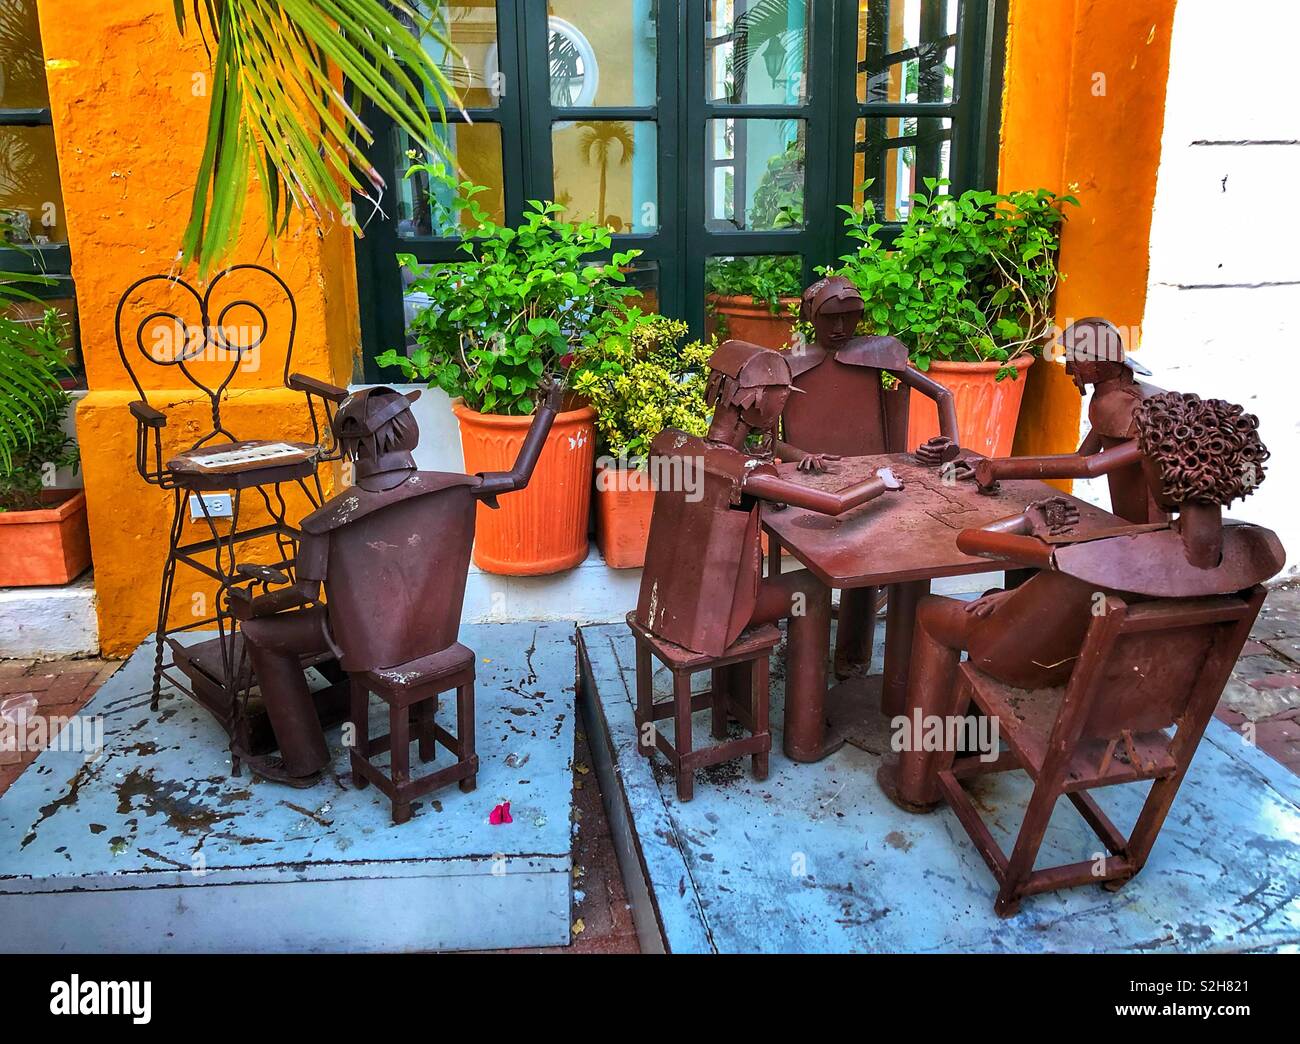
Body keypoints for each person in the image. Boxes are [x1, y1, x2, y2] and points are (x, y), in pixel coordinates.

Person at [880, 390, 1283, 811]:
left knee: (930, 616)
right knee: (994, 597)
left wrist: (1027, 520)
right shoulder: (1257, 552)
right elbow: (1077, 581)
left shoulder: (1111, 556)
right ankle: (968, 732)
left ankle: (915, 783)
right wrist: (1017, 594)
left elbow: (971, 541)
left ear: (1163, 472)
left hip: (1049, 669)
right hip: (1128, 682)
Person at [228, 381, 566, 787]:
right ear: (407, 429)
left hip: (365, 645)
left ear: (350, 446)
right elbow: (518, 476)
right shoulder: (454, 487)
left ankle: (303, 761)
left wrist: (254, 607)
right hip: (433, 635)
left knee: (260, 634)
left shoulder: (326, 521)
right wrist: (548, 410)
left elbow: (303, 594)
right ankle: (398, 710)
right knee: (368, 616)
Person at [637, 340, 904, 761]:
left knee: (758, 581)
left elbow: (726, 485)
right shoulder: (746, 472)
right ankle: (807, 739)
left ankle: (742, 698)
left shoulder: (669, 443)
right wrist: (879, 481)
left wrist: (790, 459)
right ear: (760, 402)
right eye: (782, 397)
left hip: (664, 605)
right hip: (710, 620)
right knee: (812, 591)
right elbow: (833, 505)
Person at [773, 275, 962, 674]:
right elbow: (761, 435)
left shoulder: (876, 354)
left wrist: (950, 443)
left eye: (850, 318)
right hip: (813, 482)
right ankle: (813, 645)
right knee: (828, 552)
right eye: (830, 319)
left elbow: (942, 395)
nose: (841, 329)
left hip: (879, 478)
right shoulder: (788, 365)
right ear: (811, 316)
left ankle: (857, 658)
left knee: (883, 545)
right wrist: (799, 455)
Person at [970, 317, 1165, 524]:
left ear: (1094, 363)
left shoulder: (1129, 405)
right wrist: (994, 465)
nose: (1069, 370)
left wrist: (997, 469)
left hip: (1152, 526)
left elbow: (1089, 466)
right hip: (1130, 522)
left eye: (1073, 360)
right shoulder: (1107, 399)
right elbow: (1082, 457)